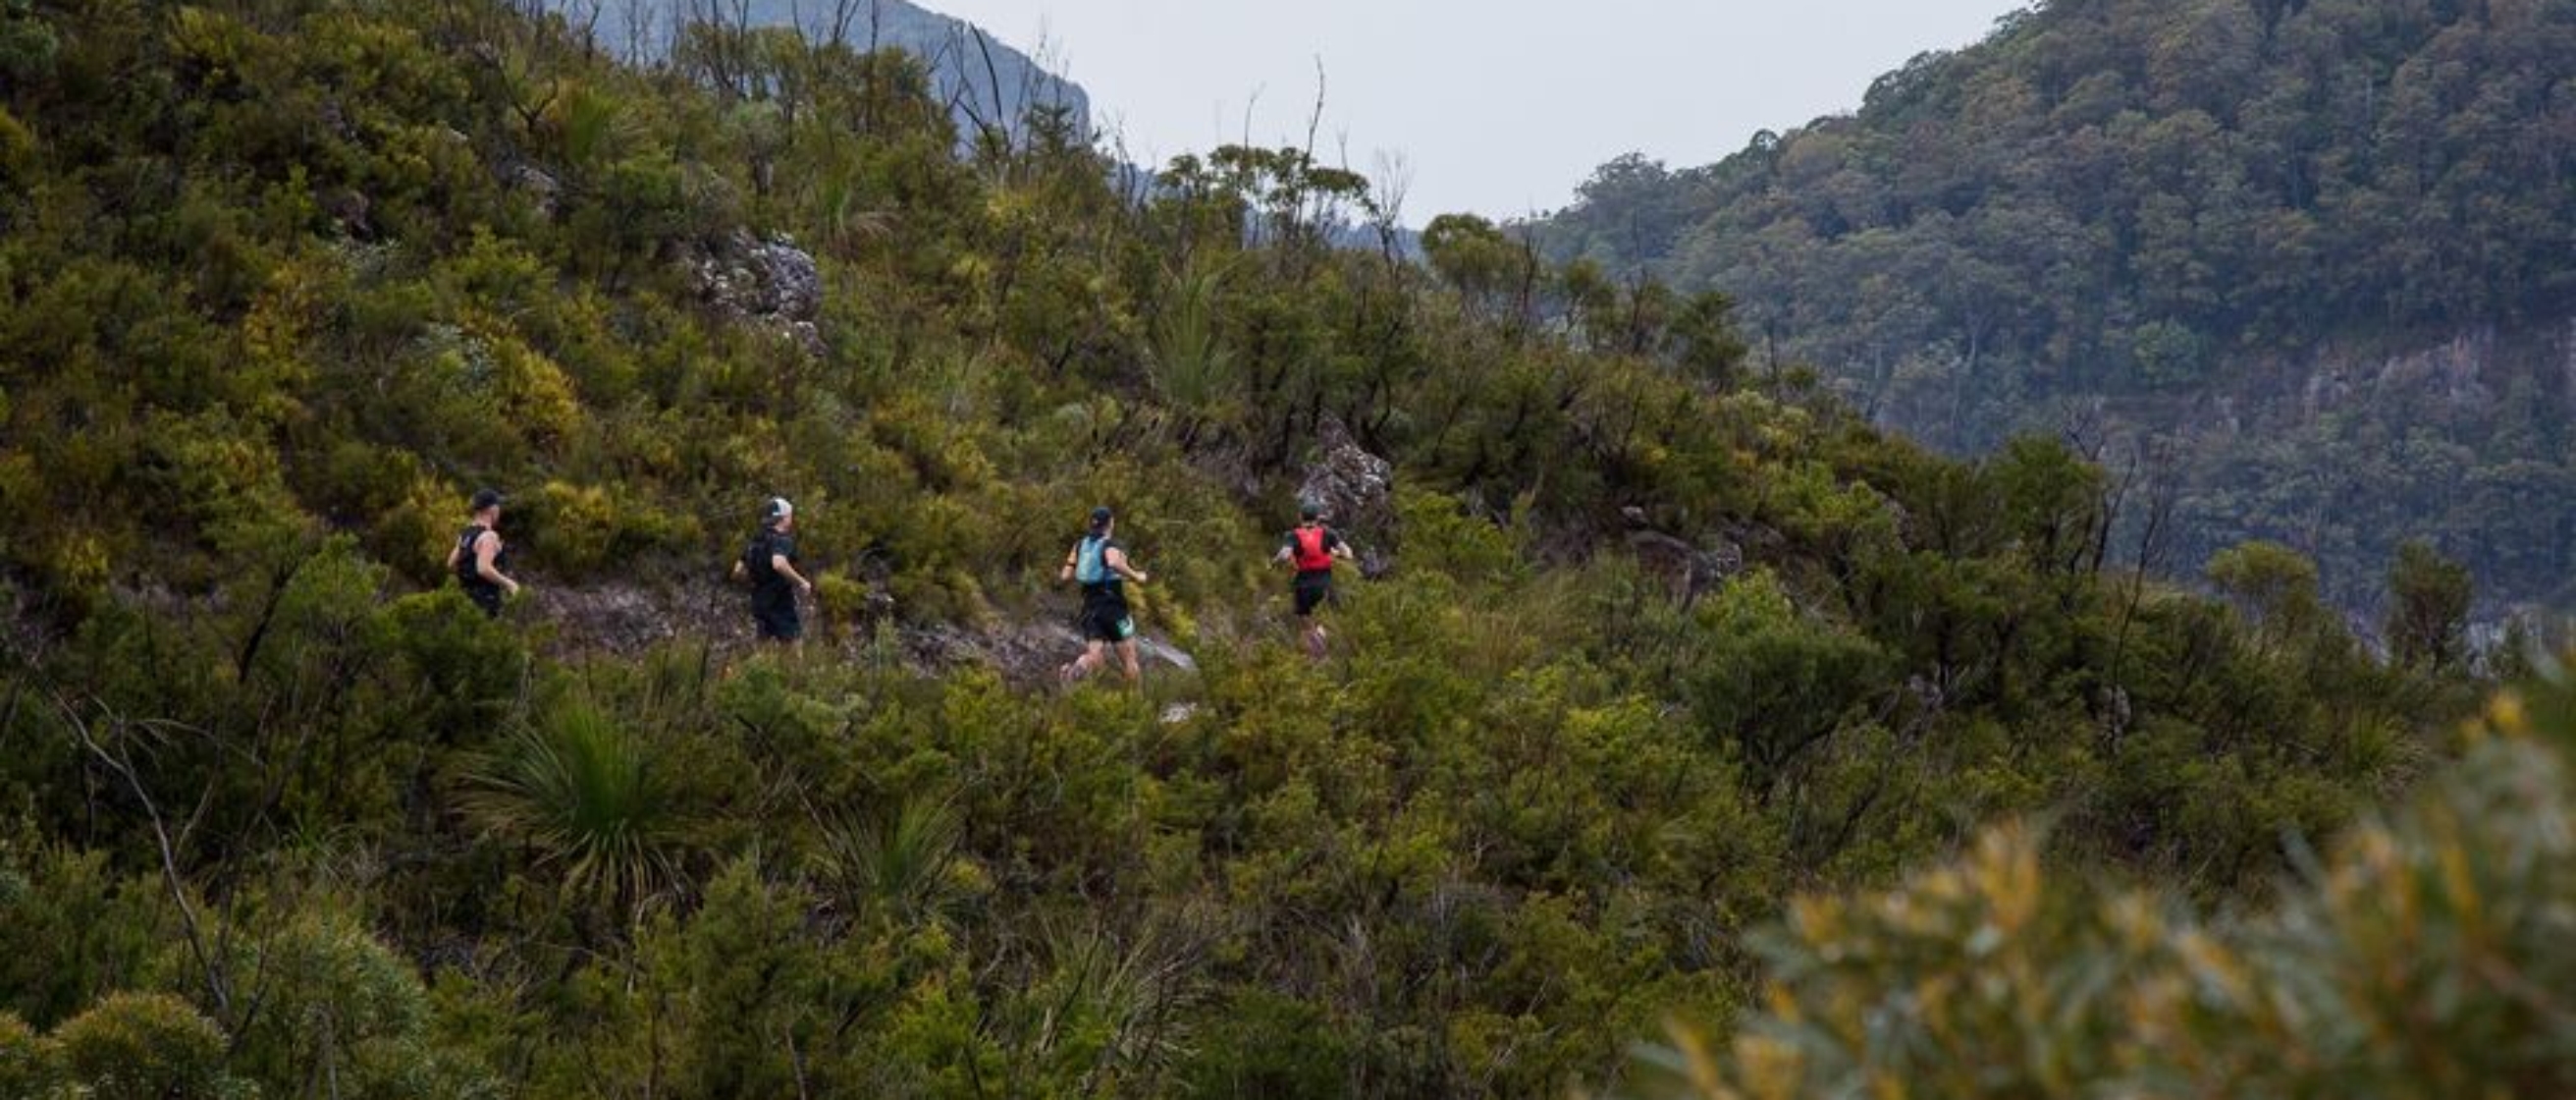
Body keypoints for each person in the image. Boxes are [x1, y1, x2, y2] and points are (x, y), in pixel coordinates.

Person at [1059, 506, 1150, 687]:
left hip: (1090, 609)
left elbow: (1065, 575)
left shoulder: (1079, 545)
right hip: (1114, 609)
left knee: (1095, 655)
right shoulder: (1109, 544)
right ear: (1110, 523)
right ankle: (1136, 705)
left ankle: (1077, 667)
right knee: (1129, 658)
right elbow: (1114, 562)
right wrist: (1136, 575)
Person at [1272, 498, 1355, 659]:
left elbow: (1284, 555)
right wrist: (1334, 553)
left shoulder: (1293, 535)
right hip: (1324, 583)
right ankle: (1324, 652)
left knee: (1305, 621)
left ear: (1300, 517)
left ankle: (1311, 656)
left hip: (1303, 585)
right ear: (1318, 518)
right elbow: (1348, 553)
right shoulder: (1328, 533)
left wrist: (1274, 562)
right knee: (1324, 620)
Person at [731, 497, 814, 644]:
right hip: (780, 601)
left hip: (759, 601)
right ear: (783, 518)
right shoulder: (782, 539)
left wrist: (756, 581)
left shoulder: (756, 540)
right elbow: (779, 563)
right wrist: (802, 582)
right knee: (793, 642)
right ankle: (794, 668)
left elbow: (737, 571)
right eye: (790, 515)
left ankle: (759, 668)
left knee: (764, 644)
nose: (791, 519)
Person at [446, 488, 522, 619]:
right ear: (491, 509)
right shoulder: (489, 536)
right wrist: (510, 584)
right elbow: (483, 568)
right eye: (498, 505)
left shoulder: (466, 533)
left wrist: (467, 580)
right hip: (485, 603)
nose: (499, 510)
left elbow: (451, 563)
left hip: (464, 599)